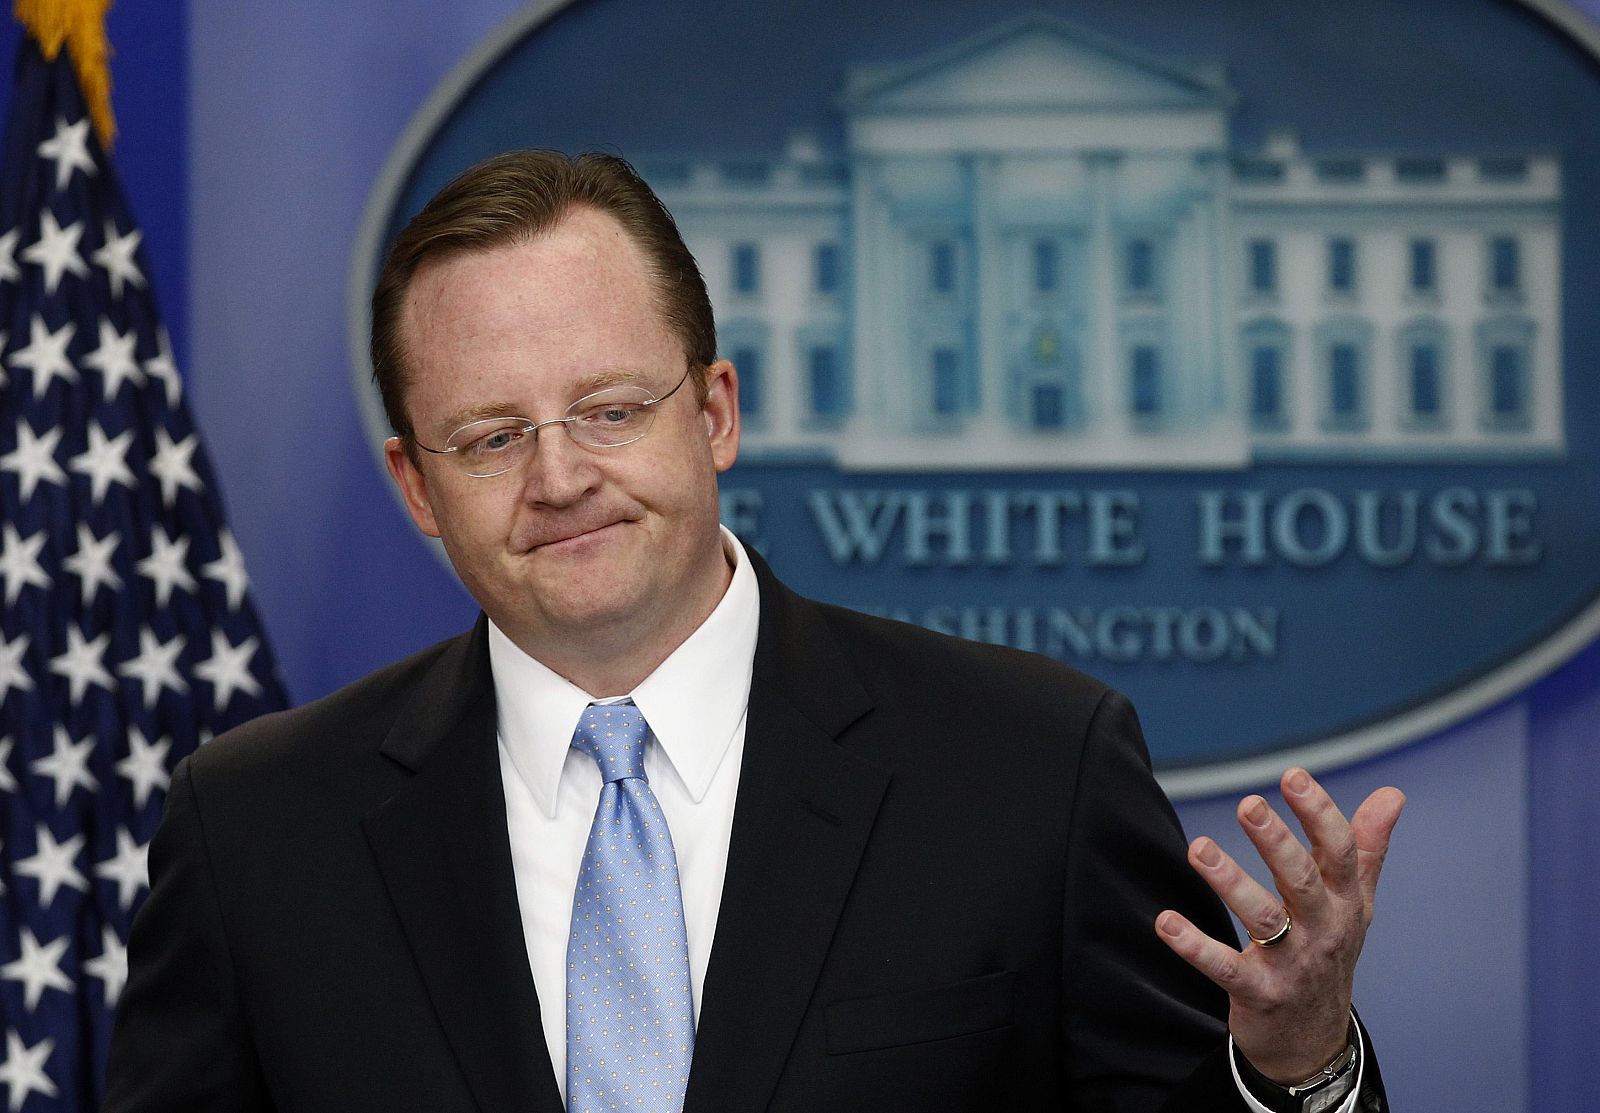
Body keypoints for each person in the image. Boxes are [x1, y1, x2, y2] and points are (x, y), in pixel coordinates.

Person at [105, 149, 1404, 1113]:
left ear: (715, 413)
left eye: (611, 409)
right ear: (415, 487)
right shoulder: (257, 831)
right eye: (491, 437)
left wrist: (1297, 1066)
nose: (559, 477)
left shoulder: (1030, 769)